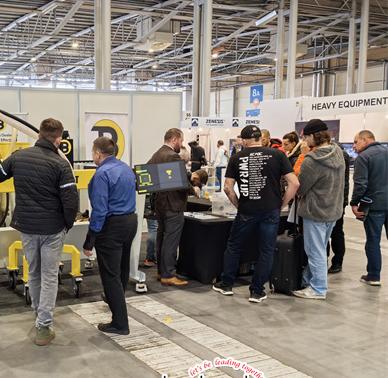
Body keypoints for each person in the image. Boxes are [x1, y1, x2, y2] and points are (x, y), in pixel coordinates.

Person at [0, 118, 78, 345]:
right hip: (52, 229)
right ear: (58, 140)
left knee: (33, 271)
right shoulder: (61, 165)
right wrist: (67, 225)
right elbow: (71, 202)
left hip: (28, 228)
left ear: (39, 135)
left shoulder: (18, 157)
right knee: (49, 276)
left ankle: (38, 312)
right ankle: (44, 325)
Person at [213, 125, 299, 303]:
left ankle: (226, 284)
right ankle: (257, 291)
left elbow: (228, 187)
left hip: (247, 210)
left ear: (245, 141)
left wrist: (238, 205)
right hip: (271, 211)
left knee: (235, 246)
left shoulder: (237, 157)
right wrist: (282, 204)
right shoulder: (278, 154)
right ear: (260, 138)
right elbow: (294, 183)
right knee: (267, 251)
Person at [82, 137, 137, 335]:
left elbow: (99, 210)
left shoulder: (101, 174)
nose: (93, 156)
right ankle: (116, 301)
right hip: (130, 222)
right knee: (122, 269)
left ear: (98, 153)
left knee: (110, 275)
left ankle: (120, 323)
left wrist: (90, 239)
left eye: (92, 153)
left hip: (112, 226)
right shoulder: (126, 168)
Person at [292, 119, 345, 300]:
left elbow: (300, 188)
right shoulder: (338, 152)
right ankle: (308, 281)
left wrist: (302, 157)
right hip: (333, 210)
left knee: (315, 252)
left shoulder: (311, 160)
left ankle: (318, 288)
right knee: (319, 250)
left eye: (306, 136)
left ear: (314, 136)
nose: (304, 141)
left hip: (315, 211)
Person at [148, 128, 194, 286]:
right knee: (171, 241)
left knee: (161, 238)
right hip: (173, 204)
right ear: (174, 140)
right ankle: (168, 274)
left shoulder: (157, 154)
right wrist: (193, 190)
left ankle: (162, 272)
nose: (181, 144)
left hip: (160, 204)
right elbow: (181, 181)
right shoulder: (172, 156)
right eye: (181, 141)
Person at [351, 130, 388, 286]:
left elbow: (360, 184)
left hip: (374, 206)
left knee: (373, 241)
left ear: (365, 140)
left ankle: (373, 276)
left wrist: (354, 203)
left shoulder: (364, 157)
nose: (353, 146)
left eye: (356, 142)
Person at [327, 142, 351, 274]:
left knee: (335, 233)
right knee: (335, 232)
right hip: (338, 200)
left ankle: (337, 261)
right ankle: (335, 261)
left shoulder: (339, 156)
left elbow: (343, 183)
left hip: (336, 200)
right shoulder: (342, 156)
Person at [143, 194, 158, 267]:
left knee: (151, 228)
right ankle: (150, 258)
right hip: (152, 197)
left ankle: (149, 258)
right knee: (153, 228)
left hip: (142, 197)